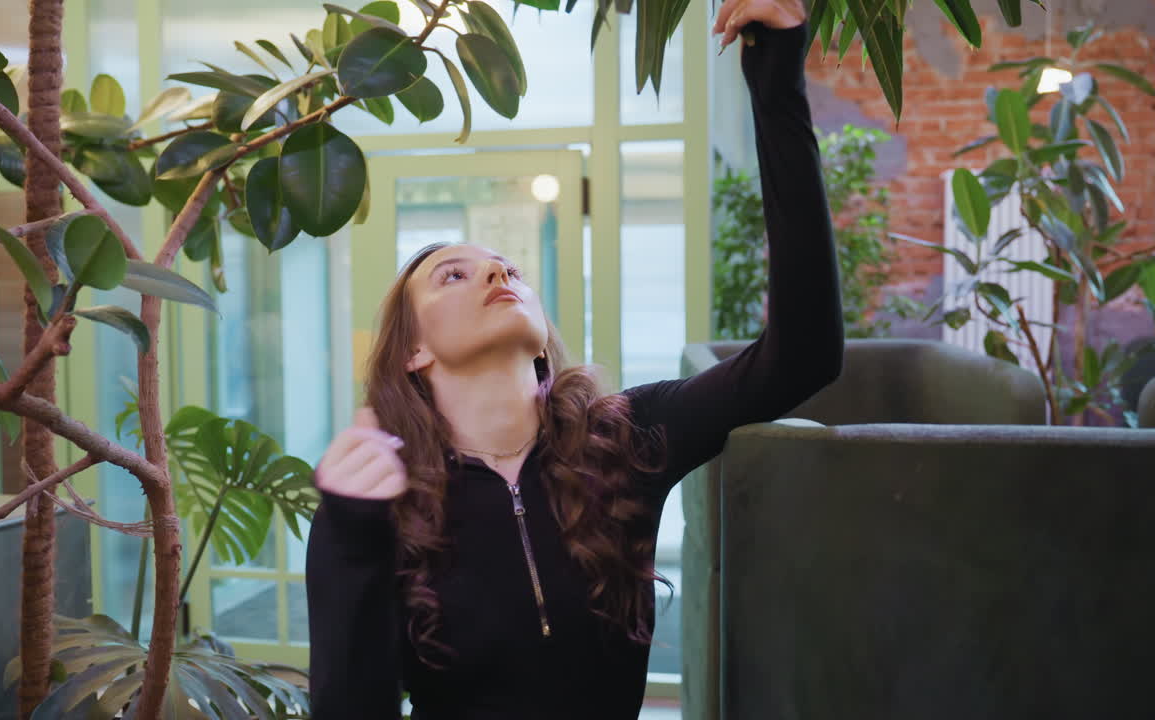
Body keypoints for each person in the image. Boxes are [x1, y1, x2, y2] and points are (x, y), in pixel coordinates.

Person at [305, 0, 842, 716]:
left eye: (504, 266)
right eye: (454, 275)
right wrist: (352, 540)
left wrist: (776, 78)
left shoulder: (626, 437)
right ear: (415, 352)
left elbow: (804, 355)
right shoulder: (380, 507)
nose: (499, 274)